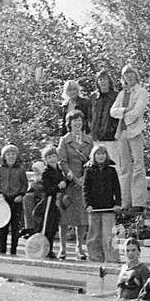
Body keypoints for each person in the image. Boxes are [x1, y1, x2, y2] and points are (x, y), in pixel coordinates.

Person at [111, 64, 149, 215]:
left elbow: (138, 111)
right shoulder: (122, 94)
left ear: (136, 75)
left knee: (138, 166)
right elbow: (113, 111)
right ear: (123, 77)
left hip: (135, 131)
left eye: (131, 73)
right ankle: (125, 201)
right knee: (124, 167)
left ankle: (138, 201)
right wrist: (125, 110)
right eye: (126, 74)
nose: (129, 76)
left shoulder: (141, 92)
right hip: (122, 133)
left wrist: (125, 115)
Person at [57, 111, 93, 260]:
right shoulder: (64, 140)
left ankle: (80, 248)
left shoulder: (89, 140)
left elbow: (92, 160)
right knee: (65, 217)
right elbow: (62, 162)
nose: (77, 123)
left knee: (82, 217)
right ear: (69, 123)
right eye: (74, 121)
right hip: (69, 184)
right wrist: (73, 177)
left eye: (79, 120)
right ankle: (63, 247)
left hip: (84, 183)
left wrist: (85, 178)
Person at [83, 144, 122, 263]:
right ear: (94, 156)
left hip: (108, 207)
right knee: (94, 235)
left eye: (103, 154)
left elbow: (117, 188)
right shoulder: (89, 170)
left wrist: (117, 203)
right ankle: (95, 257)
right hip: (94, 208)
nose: (101, 156)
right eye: (98, 154)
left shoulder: (111, 170)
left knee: (109, 235)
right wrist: (87, 205)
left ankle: (112, 258)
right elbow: (85, 189)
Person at [33, 144, 73, 258]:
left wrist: (67, 180)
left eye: (53, 156)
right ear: (45, 160)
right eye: (49, 157)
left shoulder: (59, 170)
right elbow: (47, 189)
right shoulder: (46, 172)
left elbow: (63, 184)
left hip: (56, 201)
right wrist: (58, 186)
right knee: (47, 225)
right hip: (49, 201)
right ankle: (45, 248)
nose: (52, 159)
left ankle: (49, 248)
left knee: (53, 226)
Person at [0, 144, 28, 255]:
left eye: (13, 154)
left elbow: (24, 184)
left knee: (15, 226)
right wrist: (0, 194)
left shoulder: (21, 169)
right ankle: (1, 249)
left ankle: (14, 249)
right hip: (3, 199)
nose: (11, 156)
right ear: (4, 156)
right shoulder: (0, 169)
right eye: (8, 154)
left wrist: (21, 195)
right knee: (3, 227)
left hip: (16, 199)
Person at [89, 69, 121, 170]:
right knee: (96, 164)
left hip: (111, 137)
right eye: (100, 79)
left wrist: (114, 131)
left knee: (114, 164)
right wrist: (92, 130)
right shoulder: (93, 97)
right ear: (97, 82)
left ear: (109, 81)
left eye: (105, 79)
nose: (103, 81)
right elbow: (90, 115)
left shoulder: (116, 96)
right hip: (96, 137)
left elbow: (119, 117)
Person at [115, 236, 150, 300]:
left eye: (133, 250)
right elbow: (118, 290)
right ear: (124, 253)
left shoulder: (142, 269)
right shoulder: (123, 268)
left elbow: (147, 293)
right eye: (127, 250)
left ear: (139, 252)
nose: (130, 253)